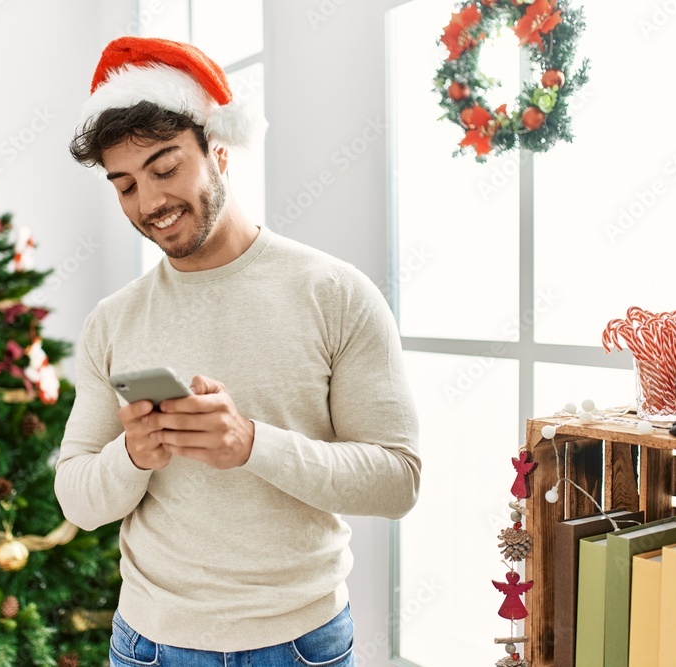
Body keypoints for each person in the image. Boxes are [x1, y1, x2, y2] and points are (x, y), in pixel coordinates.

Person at [54, 36, 421, 667]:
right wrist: (133, 455)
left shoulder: (334, 293)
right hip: (150, 646)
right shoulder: (113, 322)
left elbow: (398, 482)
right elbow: (79, 501)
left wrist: (253, 444)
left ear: (218, 149)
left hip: (302, 644)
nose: (149, 205)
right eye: (125, 186)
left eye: (165, 169)